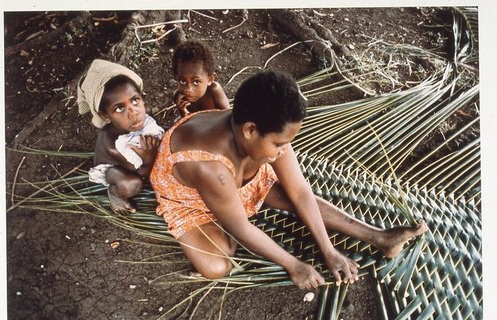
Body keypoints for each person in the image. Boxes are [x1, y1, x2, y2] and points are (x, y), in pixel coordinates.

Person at [150, 70, 427, 289]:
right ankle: (219, 213)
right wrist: (294, 265)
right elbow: (242, 228)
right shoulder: (210, 167)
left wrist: (327, 249)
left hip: (235, 172)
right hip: (191, 194)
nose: (285, 151)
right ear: (250, 130)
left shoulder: (266, 128)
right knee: (216, 267)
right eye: (280, 144)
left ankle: (378, 236)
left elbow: (300, 192)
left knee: (285, 190)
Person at [77, 59, 164, 214]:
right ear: (105, 116)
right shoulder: (116, 145)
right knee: (132, 184)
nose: (133, 113)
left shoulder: (142, 113)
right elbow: (142, 173)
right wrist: (149, 158)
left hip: (140, 158)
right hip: (119, 168)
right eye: (119, 109)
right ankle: (115, 193)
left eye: (135, 100)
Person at [172, 40, 230, 116]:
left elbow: (230, 118)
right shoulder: (179, 98)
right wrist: (184, 113)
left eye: (196, 82)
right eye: (183, 81)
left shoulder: (214, 91)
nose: (188, 90)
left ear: (210, 79)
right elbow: (188, 124)